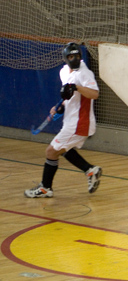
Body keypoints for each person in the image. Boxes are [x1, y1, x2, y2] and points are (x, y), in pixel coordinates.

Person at [24, 42, 102, 198]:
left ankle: (45, 188)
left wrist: (76, 87)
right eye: (71, 56)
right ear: (66, 58)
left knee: (51, 152)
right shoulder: (64, 72)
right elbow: (70, 97)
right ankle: (90, 170)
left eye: (77, 56)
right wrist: (60, 108)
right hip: (71, 121)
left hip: (80, 123)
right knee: (63, 150)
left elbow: (94, 94)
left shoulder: (84, 73)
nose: (75, 59)